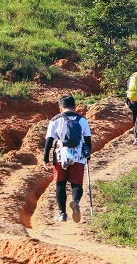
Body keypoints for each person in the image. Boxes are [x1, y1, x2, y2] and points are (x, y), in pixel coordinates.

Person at [43, 95, 92, 223]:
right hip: (78, 155)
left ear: (60, 108)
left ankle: (62, 213)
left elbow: (49, 140)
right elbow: (88, 140)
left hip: (60, 155)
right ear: (74, 107)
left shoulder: (55, 120)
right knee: (77, 184)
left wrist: (45, 158)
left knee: (60, 184)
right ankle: (75, 201)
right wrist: (88, 156)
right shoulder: (82, 120)